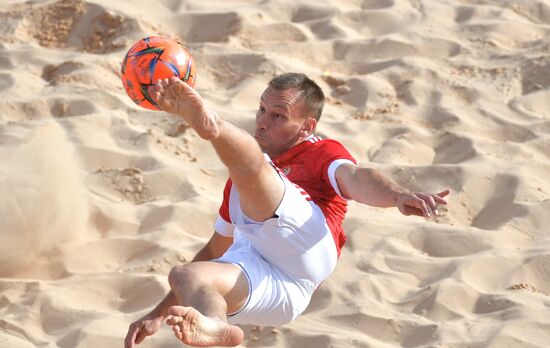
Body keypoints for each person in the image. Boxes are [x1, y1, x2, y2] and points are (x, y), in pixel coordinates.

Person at [124, 73, 449, 347]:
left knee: (254, 166)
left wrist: (397, 196)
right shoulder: (240, 184)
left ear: (306, 127)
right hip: (280, 294)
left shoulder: (320, 151)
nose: (262, 122)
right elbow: (214, 248)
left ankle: (213, 128)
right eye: (262, 110)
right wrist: (156, 315)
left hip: (307, 248)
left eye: (277, 116)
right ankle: (215, 326)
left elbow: (356, 179)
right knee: (186, 275)